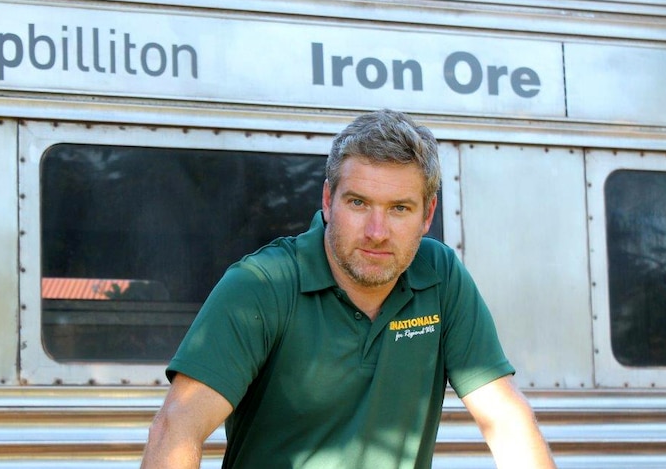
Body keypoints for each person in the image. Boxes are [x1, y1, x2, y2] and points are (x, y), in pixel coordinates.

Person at [141, 108, 557, 468]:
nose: (377, 232)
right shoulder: (263, 284)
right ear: (328, 199)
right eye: (358, 203)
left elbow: (505, 420)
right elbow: (177, 427)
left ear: (427, 214)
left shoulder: (440, 276)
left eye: (399, 209)